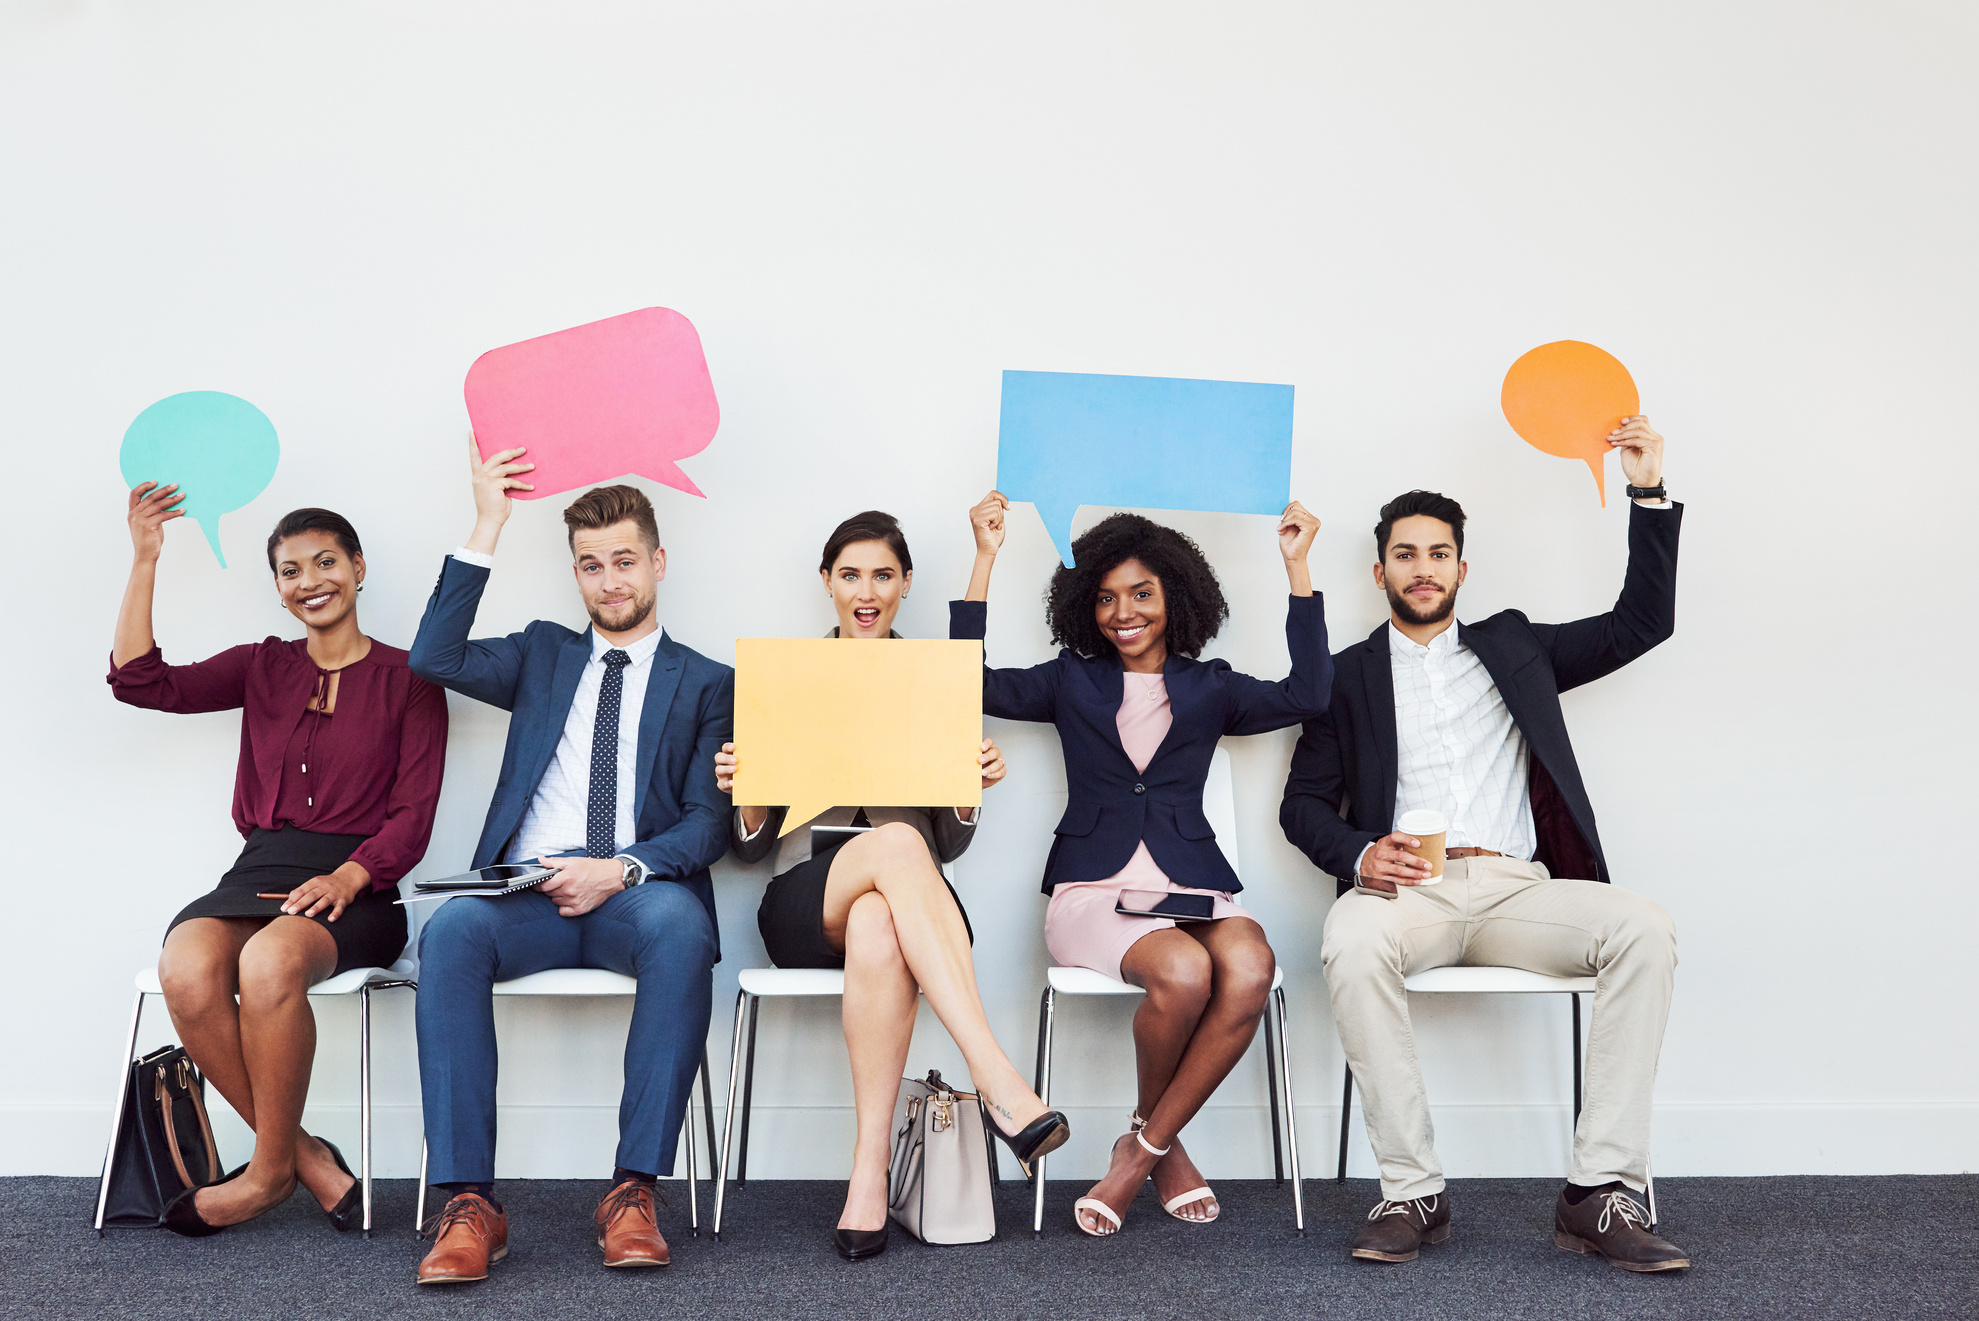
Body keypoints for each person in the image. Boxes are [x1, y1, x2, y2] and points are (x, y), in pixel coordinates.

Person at [1279, 416, 1689, 1271]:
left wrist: (1646, 491)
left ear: (1460, 568)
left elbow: (1641, 622)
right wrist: (1360, 854)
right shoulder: (1346, 675)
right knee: (1348, 941)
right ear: (1380, 569)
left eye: (1437, 553)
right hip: (1408, 892)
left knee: (1643, 926)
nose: (1421, 568)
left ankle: (1597, 1192)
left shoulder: (1515, 646)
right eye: (1404, 553)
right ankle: (1410, 1189)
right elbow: (1302, 804)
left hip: (1515, 889)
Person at [954, 491, 1329, 1237]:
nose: (1122, 611)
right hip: (1093, 890)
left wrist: (1297, 567)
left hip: (1191, 885)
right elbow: (966, 683)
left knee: (1249, 965)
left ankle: (1141, 1143)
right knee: (1186, 973)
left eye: (1141, 593)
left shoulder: (1210, 686)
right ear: (1082, 606)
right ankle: (1162, 1152)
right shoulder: (1070, 679)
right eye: (1105, 597)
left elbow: (1309, 692)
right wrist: (984, 559)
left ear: (1175, 596)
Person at [407, 442, 732, 1285]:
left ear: (657, 562)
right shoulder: (543, 653)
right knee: (448, 934)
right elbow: (432, 659)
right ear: (576, 573)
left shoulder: (707, 682)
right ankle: (470, 1200)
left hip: (633, 896)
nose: (609, 580)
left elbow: (707, 824)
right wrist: (487, 522)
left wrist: (620, 867)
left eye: (624, 560)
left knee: (679, 924)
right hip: (525, 894)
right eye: (591, 565)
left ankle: (632, 1190)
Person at [715, 511, 1070, 1262]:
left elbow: (949, 840)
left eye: (882, 574)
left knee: (884, 908)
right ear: (827, 582)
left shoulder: (932, 678)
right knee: (897, 844)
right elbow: (748, 850)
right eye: (850, 574)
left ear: (905, 584)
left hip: (906, 914)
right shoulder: (786, 676)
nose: (866, 590)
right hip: (803, 904)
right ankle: (997, 1078)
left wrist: (970, 791)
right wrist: (746, 791)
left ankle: (866, 1178)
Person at [108, 487, 447, 1237]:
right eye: (290, 570)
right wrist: (145, 557)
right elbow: (140, 682)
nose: (310, 580)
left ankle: (264, 1177)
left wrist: (350, 875)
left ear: (358, 568)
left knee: (268, 963)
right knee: (186, 966)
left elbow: (413, 815)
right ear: (278, 588)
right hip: (258, 866)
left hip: (359, 883)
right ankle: (302, 1156)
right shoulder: (262, 665)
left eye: (326, 561)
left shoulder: (411, 677)